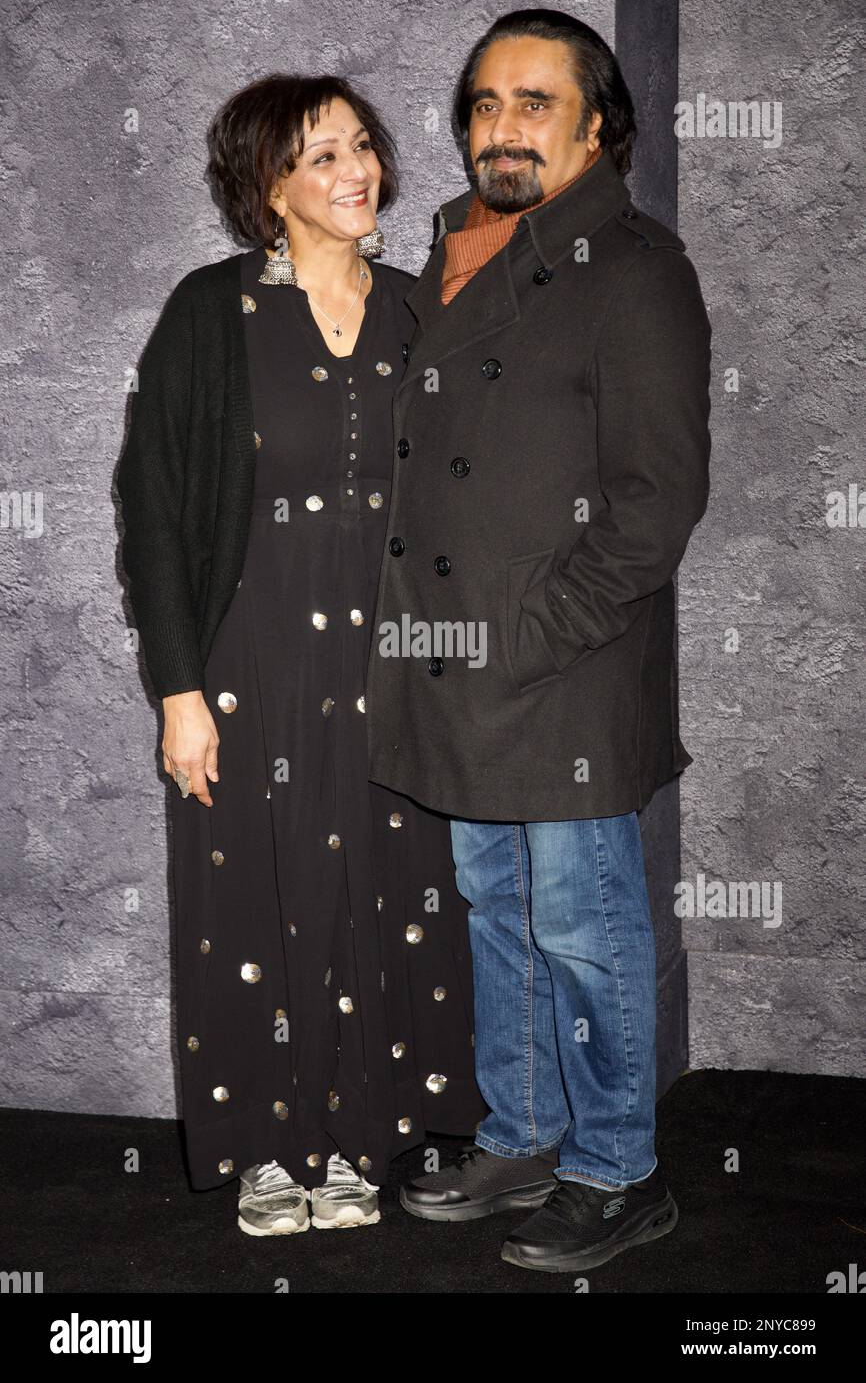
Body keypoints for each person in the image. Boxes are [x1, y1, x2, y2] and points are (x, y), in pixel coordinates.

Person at [365, 10, 712, 1272]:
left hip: (560, 670)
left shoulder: (631, 266)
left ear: (595, 124)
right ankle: (521, 1133)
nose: (499, 127)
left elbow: (654, 500)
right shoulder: (452, 253)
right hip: (464, 664)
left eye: (531, 102)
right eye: (483, 103)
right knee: (494, 906)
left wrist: (537, 635)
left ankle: (616, 1167)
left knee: (583, 921)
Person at [116, 73, 486, 1237]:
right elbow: (155, 509)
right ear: (268, 185)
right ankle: (268, 1153)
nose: (355, 168)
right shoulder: (207, 313)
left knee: (386, 899)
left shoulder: (424, 312)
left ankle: (361, 1136)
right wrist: (179, 691)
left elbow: (468, 500)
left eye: (361, 144)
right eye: (321, 154)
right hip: (248, 667)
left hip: (390, 672)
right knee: (251, 903)